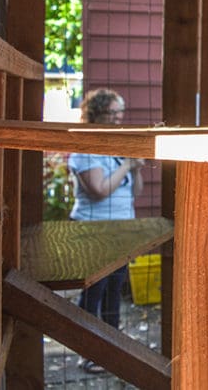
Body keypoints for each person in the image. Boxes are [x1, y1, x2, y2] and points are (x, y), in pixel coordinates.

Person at [67, 88, 146, 375]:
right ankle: (88, 353)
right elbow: (99, 191)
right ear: (95, 115)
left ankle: (111, 347)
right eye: (111, 113)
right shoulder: (85, 148)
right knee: (93, 292)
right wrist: (127, 163)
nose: (116, 119)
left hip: (120, 229)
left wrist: (135, 168)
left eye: (119, 113)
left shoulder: (116, 146)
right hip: (94, 230)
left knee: (115, 289)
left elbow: (135, 192)